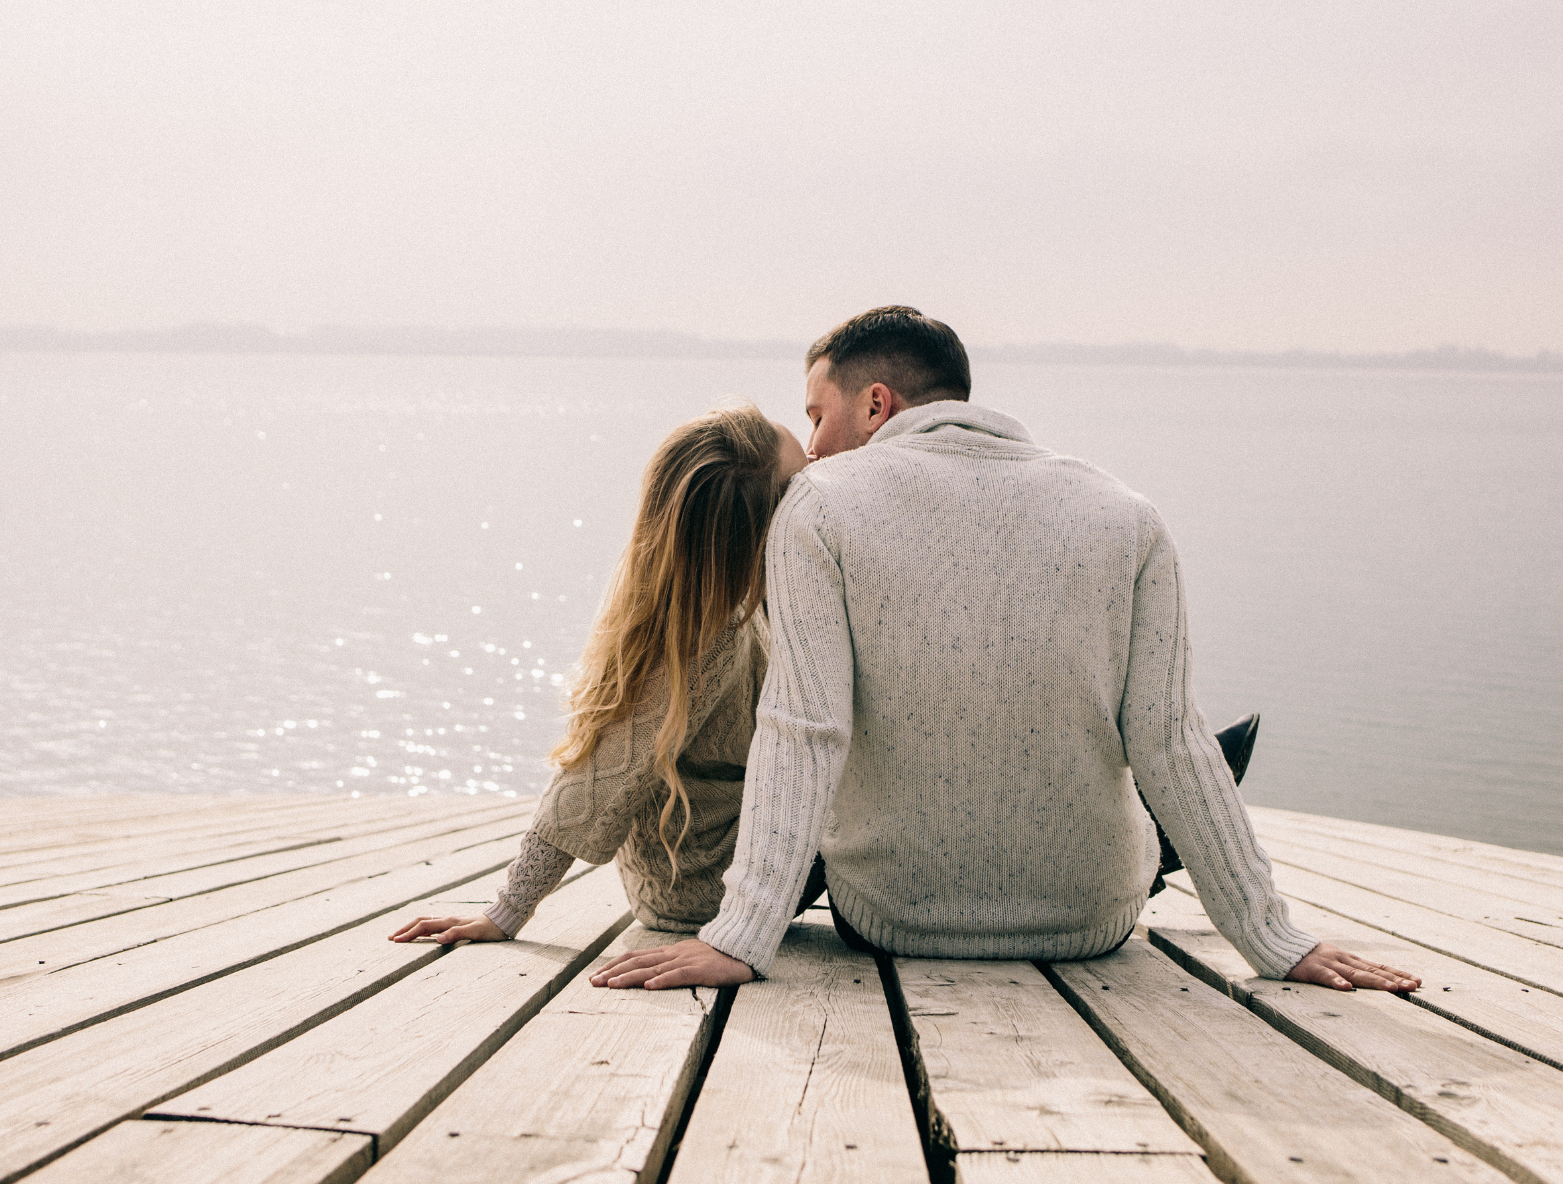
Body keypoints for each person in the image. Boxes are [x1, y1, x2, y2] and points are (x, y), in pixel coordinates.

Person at [590, 306, 1420, 994]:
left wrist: (741, 937)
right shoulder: (1126, 513)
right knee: (1157, 761)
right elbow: (1170, 741)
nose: (809, 447)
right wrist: (1276, 939)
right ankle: (1157, 846)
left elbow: (805, 730)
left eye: (817, 415)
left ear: (876, 405)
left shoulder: (817, 510)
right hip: (1092, 926)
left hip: (891, 919)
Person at [388, 402, 808, 949]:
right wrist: (508, 909)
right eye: (801, 484)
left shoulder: (739, 604)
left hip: (713, 866)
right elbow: (596, 775)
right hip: (704, 887)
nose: (817, 475)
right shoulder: (707, 636)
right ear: (764, 523)